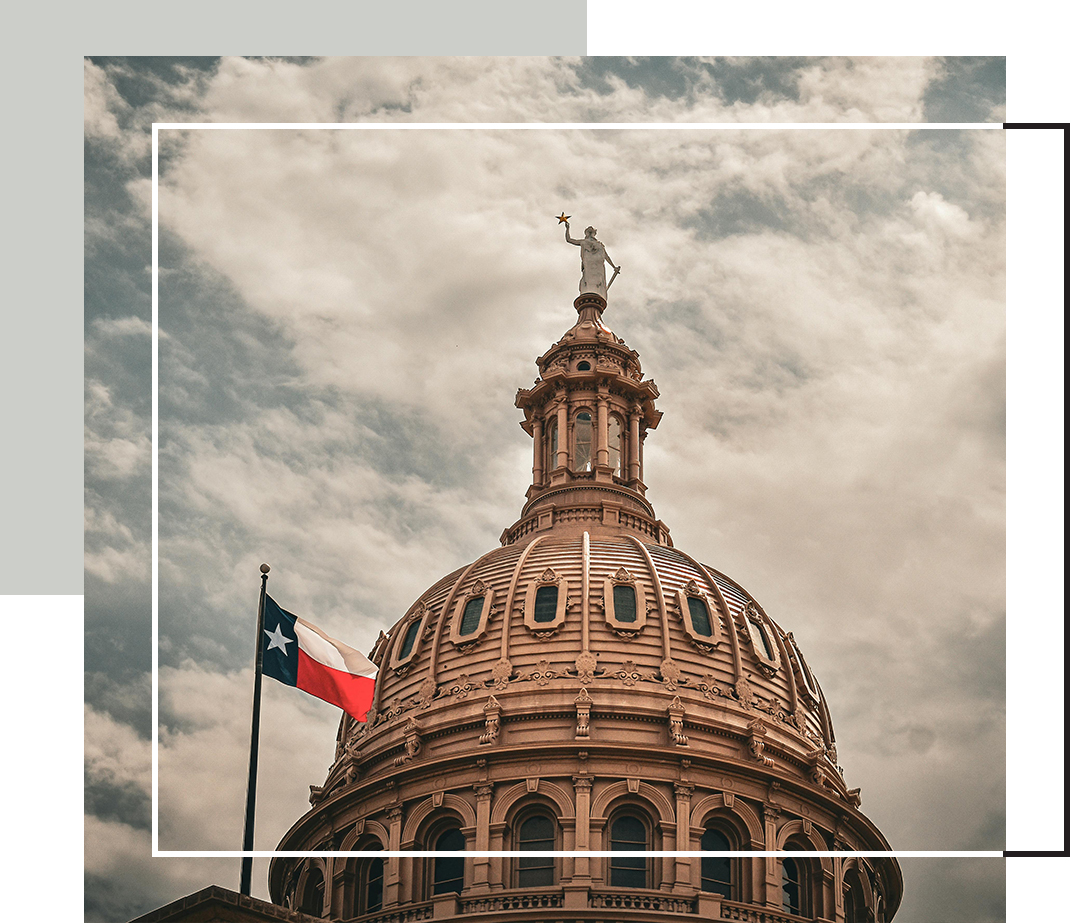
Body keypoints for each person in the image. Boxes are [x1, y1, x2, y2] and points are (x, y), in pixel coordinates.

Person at [564, 221, 620, 299]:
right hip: (588, 263)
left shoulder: (600, 245)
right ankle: (588, 293)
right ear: (586, 233)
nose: (590, 232)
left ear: (594, 233)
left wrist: (614, 267)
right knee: (588, 279)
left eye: (591, 231)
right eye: (588, 231)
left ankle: (598, 294)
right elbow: (569, 240)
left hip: (599, 265)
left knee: (599, 281)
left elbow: (606, 256)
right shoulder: (583, 242)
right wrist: (567, 229)